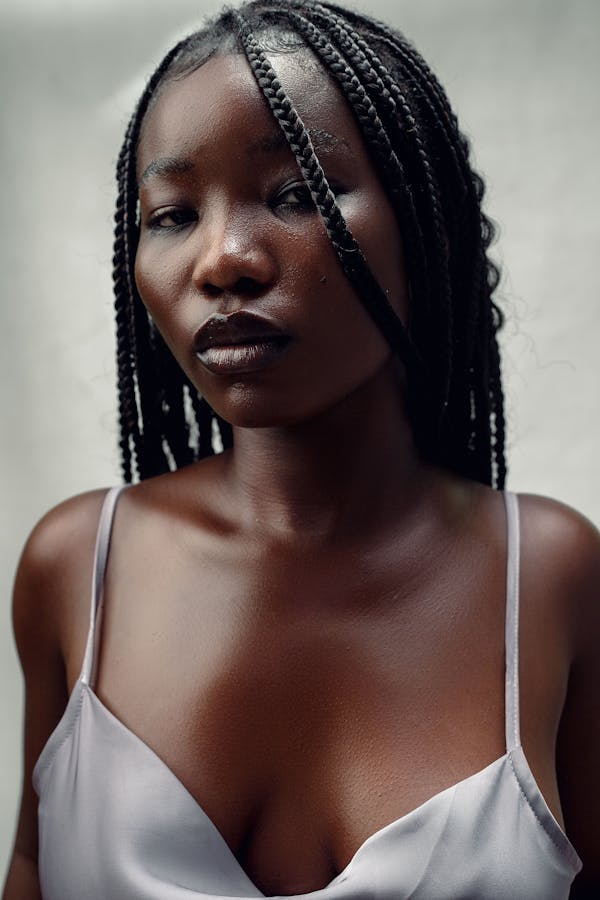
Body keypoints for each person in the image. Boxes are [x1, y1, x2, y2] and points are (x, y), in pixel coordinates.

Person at [3, 1, 599, 897]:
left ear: (425, 221)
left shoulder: (553, 576)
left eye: (294, 194)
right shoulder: (74, 568)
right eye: (171, 214)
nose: (223, 259)